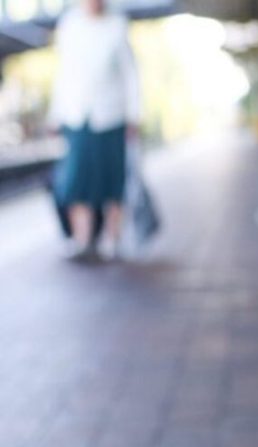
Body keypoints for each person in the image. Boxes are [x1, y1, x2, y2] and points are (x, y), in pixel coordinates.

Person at [49, 0, 141, 261]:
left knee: (113, 179)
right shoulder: (69, 25)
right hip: (77, 116)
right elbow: (63, 74)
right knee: (77, 181)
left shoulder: (117, 25)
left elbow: (130, 74)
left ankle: (112, 239)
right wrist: (55, 114)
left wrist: (134, 115)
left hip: (111, 115)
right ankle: (82, 239)